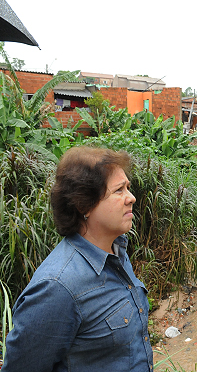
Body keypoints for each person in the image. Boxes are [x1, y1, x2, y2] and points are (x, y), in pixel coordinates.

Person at [3, 146, 153, 371]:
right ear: (84, 205)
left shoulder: (118, 252)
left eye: (128, 188)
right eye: (119, 190)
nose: (131, 198)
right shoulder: (57, 288)